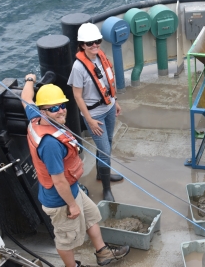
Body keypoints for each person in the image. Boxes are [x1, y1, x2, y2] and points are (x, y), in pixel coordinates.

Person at [21, 76, 130, 267]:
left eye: (62, 105)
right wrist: (71, 205)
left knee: (91, 215)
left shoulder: (36, 116)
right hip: (60, 199)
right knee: (65, 238)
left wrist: (29, 80)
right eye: (54, 108)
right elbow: (59, 181)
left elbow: (26, 98)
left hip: (71, 190)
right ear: (43, 110)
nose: (60, 111)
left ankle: (103, 253)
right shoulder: (50, 145)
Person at [67, 23, 122, 202]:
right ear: (82, 45)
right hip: (95, 115)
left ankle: (101, 174)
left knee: (108, 142)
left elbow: (108, 84)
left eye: (97, 41)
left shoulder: (101, 57)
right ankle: (106, 189)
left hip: (109, 107)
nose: (94, 45)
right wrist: (89, 120)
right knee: (105, 150)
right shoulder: (78, 67)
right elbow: (77, 96)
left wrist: (116, 102)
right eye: (90, 43)